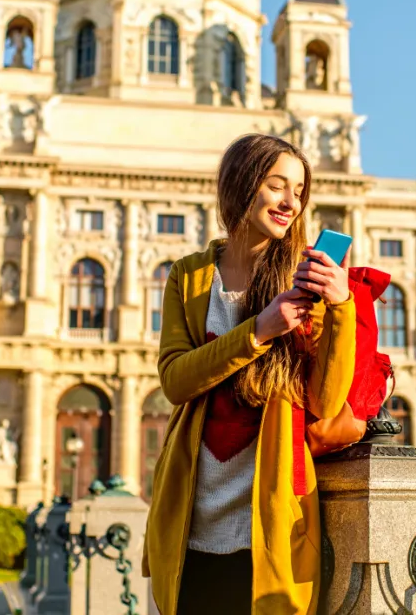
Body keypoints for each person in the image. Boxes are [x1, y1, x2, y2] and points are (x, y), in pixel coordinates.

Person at [142, 133, 357, 615]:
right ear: (241, 184)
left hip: (271, 519)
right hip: (189, 523)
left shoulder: (305, 279)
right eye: (278, 185)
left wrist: (341, 306)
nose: (291, 203)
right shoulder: (190, 276)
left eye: (299, 192)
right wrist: (258, 330)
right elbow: (175, 382)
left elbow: (324, 402)